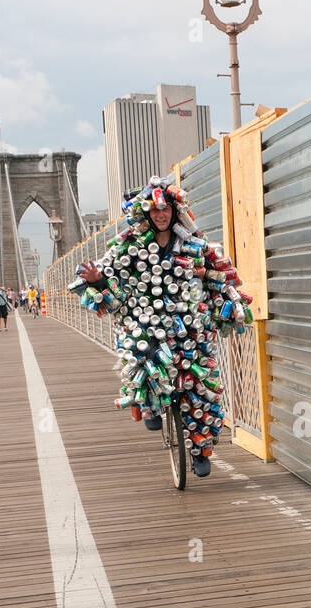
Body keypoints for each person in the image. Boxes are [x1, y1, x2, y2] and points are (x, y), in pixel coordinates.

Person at [76, 186, 213, 473]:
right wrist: (98, 281)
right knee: (138, 349)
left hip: (187, 321)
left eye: (165, 209)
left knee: (198, 387)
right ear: (146, 213)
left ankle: (201, 450)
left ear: (174, 211)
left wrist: (214, 284)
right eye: (154, 210)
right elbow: (111, 286)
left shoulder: (194, 242)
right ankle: (149, 402)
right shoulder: (128, 245)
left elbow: (215, 272)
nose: (161, 214)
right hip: (144, 322)